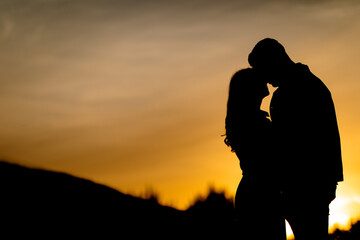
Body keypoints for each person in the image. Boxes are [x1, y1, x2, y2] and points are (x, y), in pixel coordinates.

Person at [248, 38, 344, 240]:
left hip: (307, 186)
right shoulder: (303, 85)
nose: (265, 79)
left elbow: (316, 140)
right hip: (305, 186)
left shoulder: (304, 87)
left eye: (263, 69)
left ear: (273, 61)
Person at [224, 68, 286, 240]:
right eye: (259, 78)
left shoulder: (250, 120)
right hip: (259, 195)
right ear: (249, 88)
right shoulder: (251, 123)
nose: (265, 79)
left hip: (261, 192)